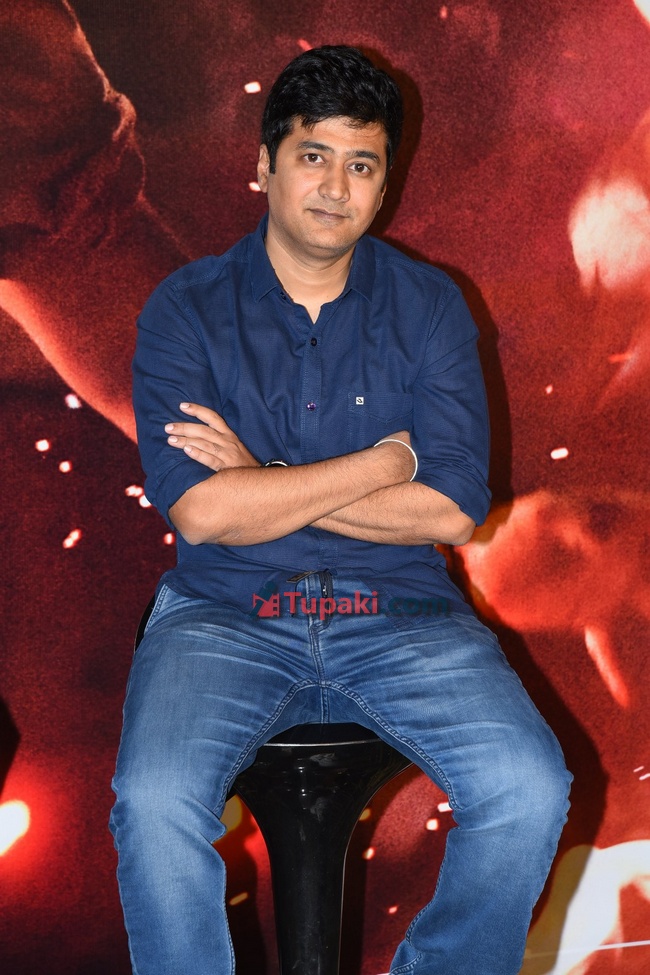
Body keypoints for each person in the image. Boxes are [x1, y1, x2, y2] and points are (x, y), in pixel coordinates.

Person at [109, 45, 572, 975]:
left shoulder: (430, 305)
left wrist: (264, 476)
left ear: (385, 185)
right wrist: (381, 462)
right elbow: (203, 515)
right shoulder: (186, 307)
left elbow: (450, 512)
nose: (335, 187)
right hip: (226, 613)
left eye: (362, 165)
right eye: (313, 156)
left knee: (530, 787)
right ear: (264, 165)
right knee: (153, 803)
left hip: (401, 610)